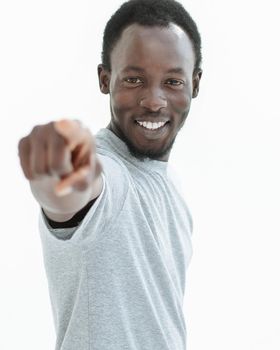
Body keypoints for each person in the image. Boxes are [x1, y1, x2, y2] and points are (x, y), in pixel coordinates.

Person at [18, 0, 202, 349]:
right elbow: (76, 193)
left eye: (173, 81)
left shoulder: (171, 186)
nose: (154, 101)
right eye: (134, 79)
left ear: (195, 84)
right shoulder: (109, 175)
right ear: (106, 80)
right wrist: (57, 172)